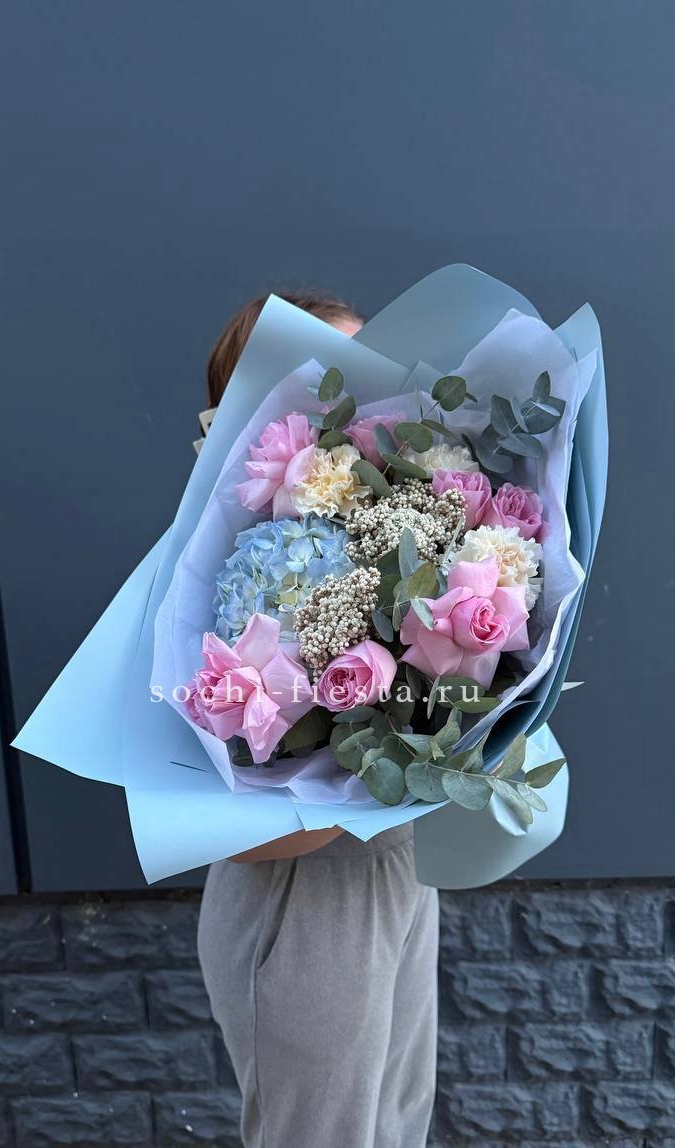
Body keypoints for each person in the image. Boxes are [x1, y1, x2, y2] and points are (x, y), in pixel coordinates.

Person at [197, 289, 440, 1148]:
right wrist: (366, 778)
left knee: (397, 1130)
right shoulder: (224, 570)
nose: (359, 397)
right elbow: (221, 826)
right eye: (331, 376)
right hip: (302, 895)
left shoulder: (396, 525)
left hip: (396, 864)